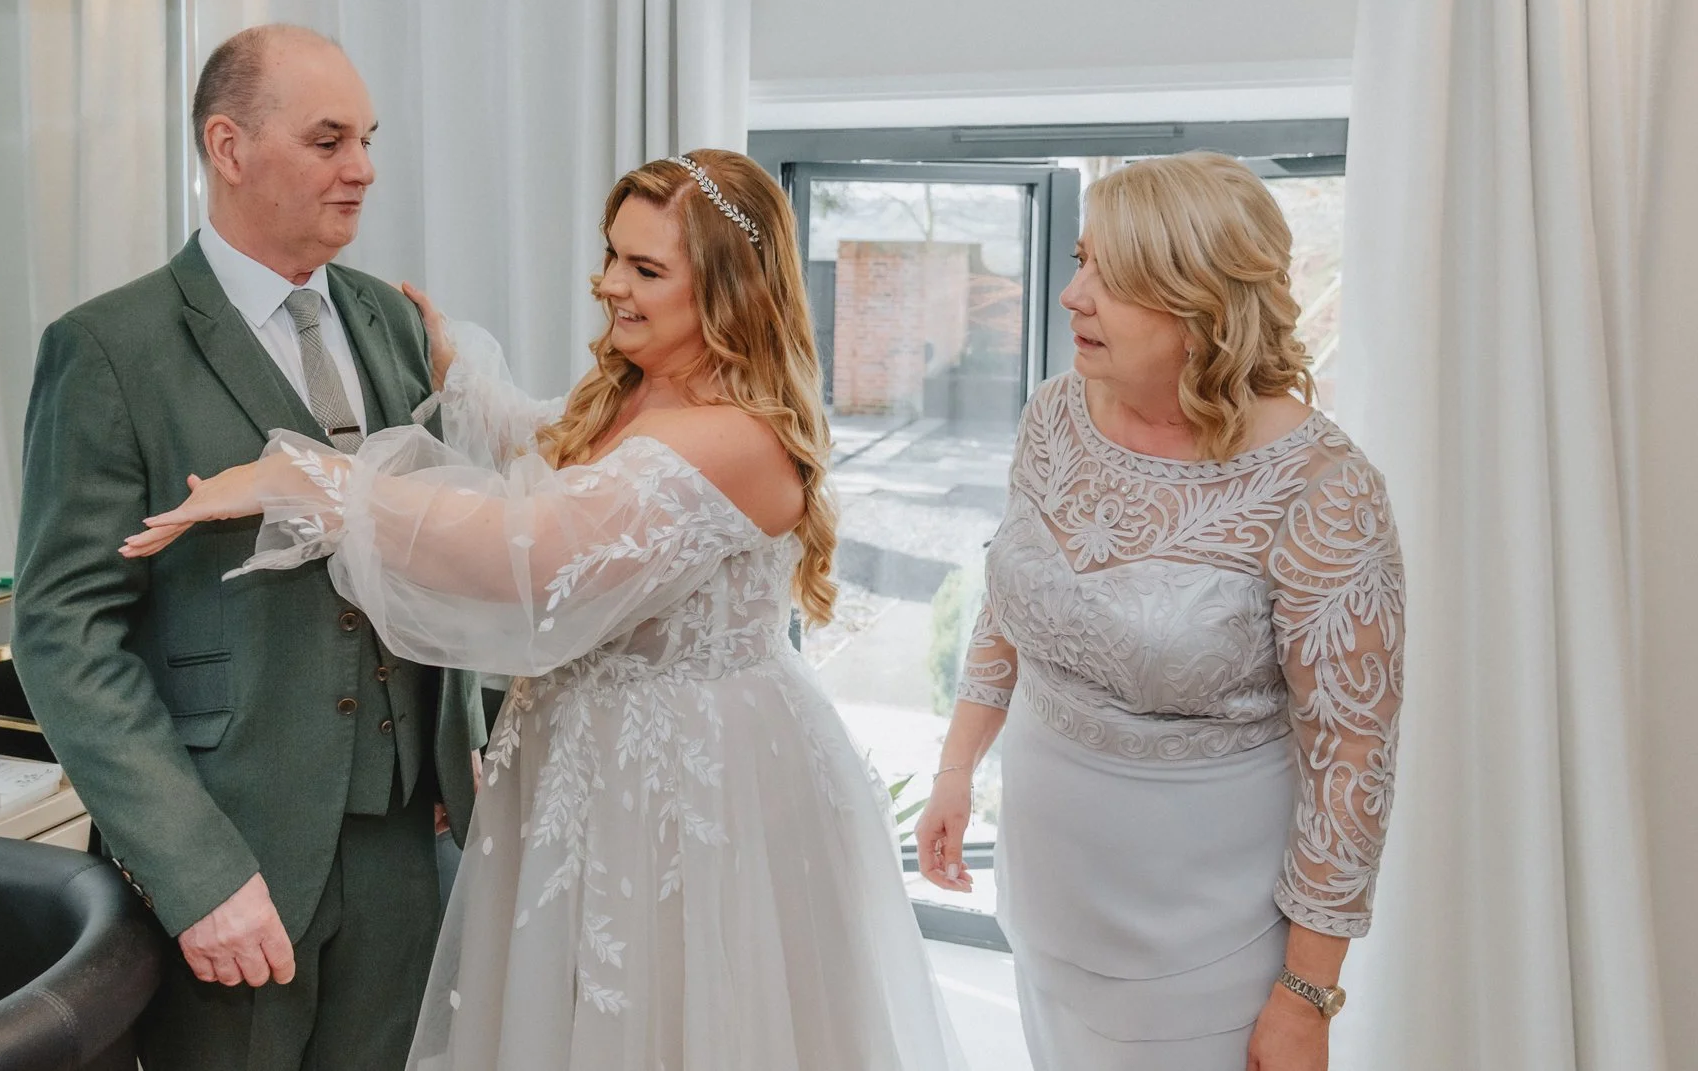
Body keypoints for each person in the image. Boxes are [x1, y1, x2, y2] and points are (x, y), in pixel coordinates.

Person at [122, 150, 963, 1071]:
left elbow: (532, 545)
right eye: (612, 256)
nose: (610, 285)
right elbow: (550, 443)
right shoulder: (647, 387)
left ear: (732, 290)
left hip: (686, 786)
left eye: (646, 270)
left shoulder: (737, 437)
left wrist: (313, 482)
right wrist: (458, 370)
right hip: (581, 762)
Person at [13, 25, 487, 1070]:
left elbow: (432, 542)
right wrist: (196, 875)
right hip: (235, 853)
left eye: (366, 140)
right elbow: (63, 635)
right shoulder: (108, 349)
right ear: (228, 148)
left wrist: (459, 734)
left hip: (408, 837)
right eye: (328, 141)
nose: (361, 169)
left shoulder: (392, 323)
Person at [913, 152, 1404, 1071]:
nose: (1072, 295)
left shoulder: (1323, 489)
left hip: (1199, 937)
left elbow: (1352, 763)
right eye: (1079, 259)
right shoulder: (1055, 414)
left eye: (1112, 276)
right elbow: (1011, 600)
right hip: (1048, 889)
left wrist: (1306, 997)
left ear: (1202, 308)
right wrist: (956, 768)